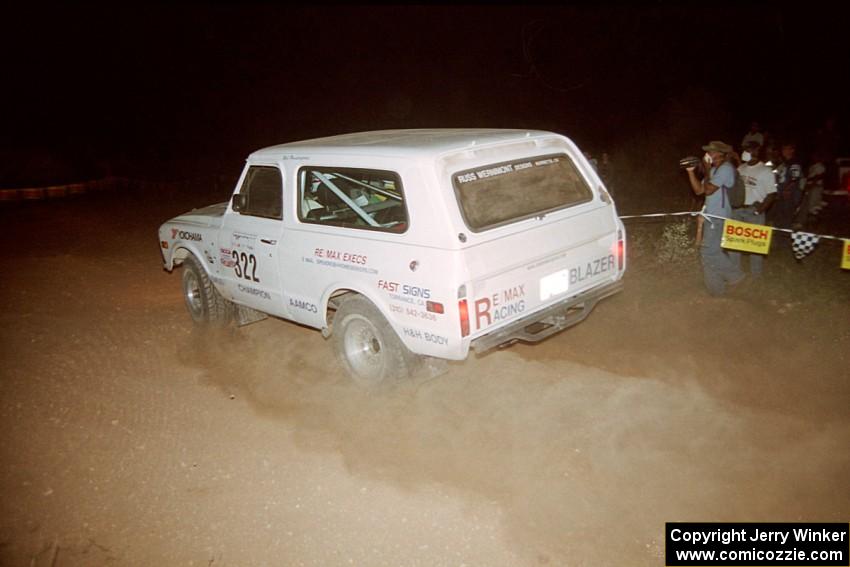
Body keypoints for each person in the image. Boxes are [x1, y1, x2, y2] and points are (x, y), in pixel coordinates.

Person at [685, 140, 746, 296]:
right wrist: (690, 172)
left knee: (709, 252)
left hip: (718, 216)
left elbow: (709, 190)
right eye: (708, 152)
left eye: (711, 151)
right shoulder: (714, 170)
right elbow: (699, 191)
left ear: (720, 153)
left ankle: (736, 276)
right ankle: (716, 291)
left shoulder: (725, 169)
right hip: (710, 216)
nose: (708, 154)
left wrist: (705, 168)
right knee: (707, 255)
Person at [728, 141, 777, 277]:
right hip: (737, 210)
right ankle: (734, 272)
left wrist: (759, 210)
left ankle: (756, 275)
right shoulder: (741, 168)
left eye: (754, 150)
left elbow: (772, 194)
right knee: (734, 244)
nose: (752, 153)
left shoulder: (766, 171)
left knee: (755, 246)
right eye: (749, 150)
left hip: (753, 212)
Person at [773, 142, 805, 229]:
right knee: (780, 214)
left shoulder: (794, 163)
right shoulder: (784, 163)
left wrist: (787, 189)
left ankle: (785, 236)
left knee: (787, 215)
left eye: (786, 149)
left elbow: (795, 178)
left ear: (792, 150)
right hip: (781, 192)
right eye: (783, 149)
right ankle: (779, 233)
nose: (784, 151)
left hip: (789, 193)